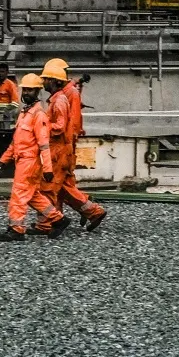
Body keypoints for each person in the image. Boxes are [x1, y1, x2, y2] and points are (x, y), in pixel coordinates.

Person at [0, 74, 64, 242]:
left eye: (30, 90)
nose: (26, 93)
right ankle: (59, 219)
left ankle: (16, 229)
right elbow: (16, 141)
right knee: (33, 196)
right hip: (23, 161)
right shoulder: (25, 113)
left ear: (37, 91)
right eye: (24, 89)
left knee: (18, 195)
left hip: (29, 162)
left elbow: (44, 145)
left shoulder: (39, 115)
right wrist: (4, 159)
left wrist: (47, 168)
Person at [40, 57, 106, 233]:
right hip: (63, 147)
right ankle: (90, 211)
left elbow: (72, 125)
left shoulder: (68, 95)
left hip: (61, 147)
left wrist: (65, 148)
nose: (43, 82)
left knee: (51, 186)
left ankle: (49, 222)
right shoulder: (66, 93)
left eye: (46, 78)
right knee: (63, 186)